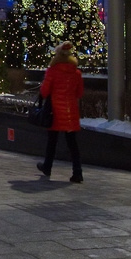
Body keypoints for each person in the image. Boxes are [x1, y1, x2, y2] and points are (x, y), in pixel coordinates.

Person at [36, 41, 84, 183]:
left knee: (52, 141)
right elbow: (79, 93)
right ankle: (77, 172)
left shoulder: (52, 71)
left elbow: (44, 92)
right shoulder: (76, 73)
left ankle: (47, 166)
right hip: (71, 112)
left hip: (55, 111)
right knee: (72, 143)